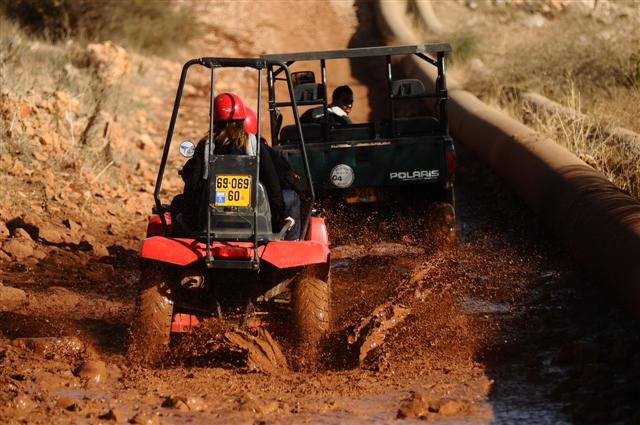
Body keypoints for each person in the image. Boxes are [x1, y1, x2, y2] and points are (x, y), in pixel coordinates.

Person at [177, 92, 295, 236]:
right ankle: (292, 242)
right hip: (258, 225)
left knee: (176, 204)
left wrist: (190, 218)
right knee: (291, 198)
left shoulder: (206, 146)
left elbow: (193, 186)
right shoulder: (256, 145)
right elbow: (273, 185)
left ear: (214, 119)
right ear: (242, 118)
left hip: (209, 224)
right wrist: (278, 219)